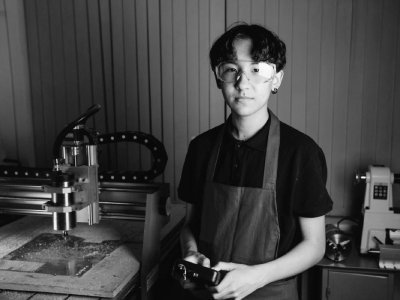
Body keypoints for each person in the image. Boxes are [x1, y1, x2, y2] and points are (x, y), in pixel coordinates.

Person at [176, 22, 333, 300]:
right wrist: (190, 255)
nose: (243, 83)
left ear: (277, 80)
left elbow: (315, 245)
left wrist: (257, 276)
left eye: (257, 70)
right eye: (231, 69)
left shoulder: (301, 152)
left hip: (271, 292)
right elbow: (190, 224)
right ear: (218, 77)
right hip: (206, 292)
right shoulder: (201, 148)